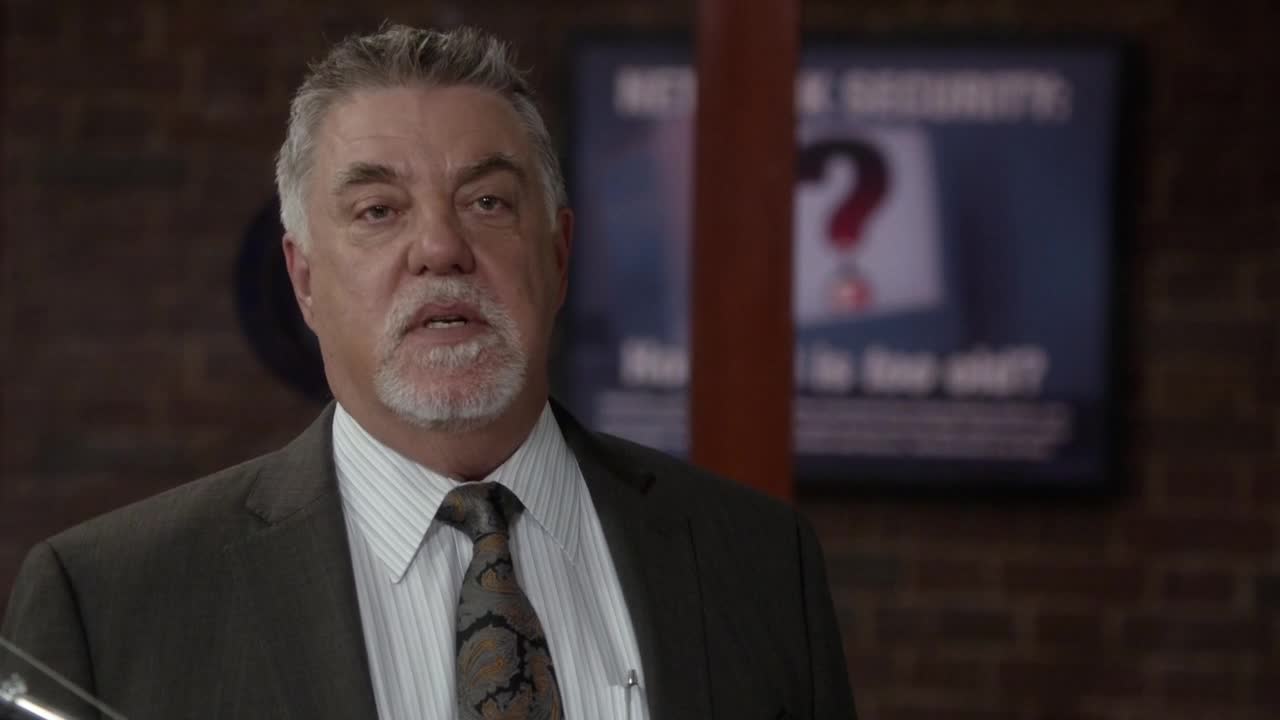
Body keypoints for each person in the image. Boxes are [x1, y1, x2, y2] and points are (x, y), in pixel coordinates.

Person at [1, 24, 855, 720]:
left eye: (487, 202)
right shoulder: (107, 604)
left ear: (558, 255)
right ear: (304, 279)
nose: (441, 247)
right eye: (378, 210)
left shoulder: (761, 563)